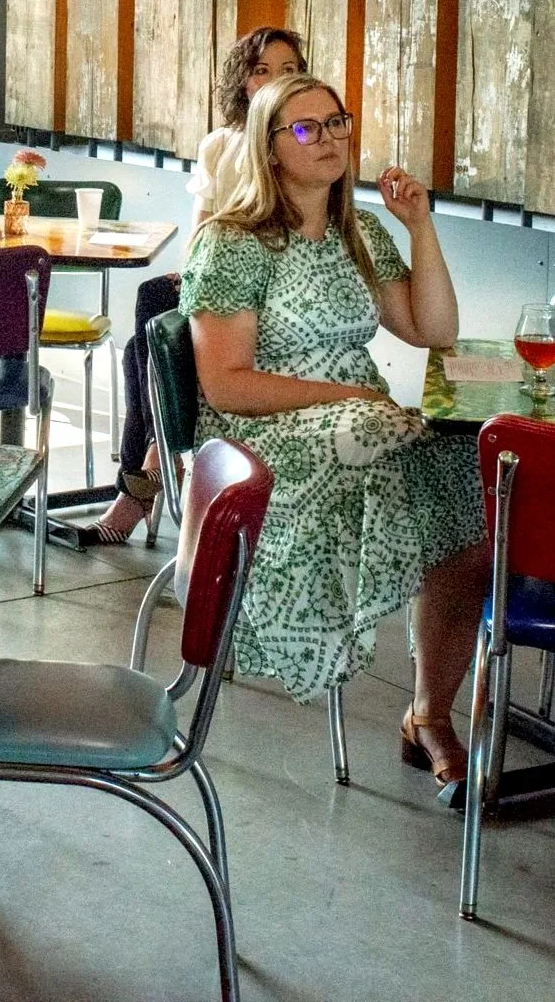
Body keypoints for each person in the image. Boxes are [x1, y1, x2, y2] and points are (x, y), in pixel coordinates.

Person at [181, 73, 488, 784]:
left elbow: (434, 329)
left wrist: (422, 226)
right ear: (270, 146)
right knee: (398, 454)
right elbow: (226, 383)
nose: (329, 138)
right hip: (264, 435)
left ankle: (428, 714)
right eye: (306, 128)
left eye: (337, 122)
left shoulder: (360, 233)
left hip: (362, 422)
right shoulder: (233, 243)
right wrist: (343, 393)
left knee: (467, 491)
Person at [81, 26, 306, 544]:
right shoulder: (219, 145)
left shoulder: (301, 137)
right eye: (261, 71)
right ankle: (153, 464)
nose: (274, 81)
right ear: (244, 82)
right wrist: (200, 275)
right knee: (147, 333)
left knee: (150, 323)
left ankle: (148, 475)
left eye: (288, 70)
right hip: (220, 275)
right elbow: (202, 228)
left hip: (274, 284)